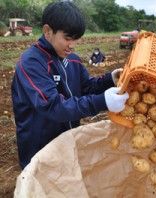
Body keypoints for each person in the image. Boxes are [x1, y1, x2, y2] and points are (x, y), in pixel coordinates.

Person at [11, 1, 129, 169]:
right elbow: (53, 106)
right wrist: (101, 102)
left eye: (76, 39)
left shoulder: (72, 59)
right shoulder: (32, 62)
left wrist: (110, 79)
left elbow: (87, 87)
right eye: (67, 38)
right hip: (39, 150)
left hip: (67, 140)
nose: (72, 45)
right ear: (47, 31)